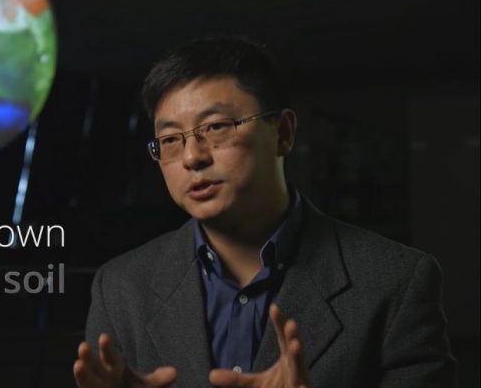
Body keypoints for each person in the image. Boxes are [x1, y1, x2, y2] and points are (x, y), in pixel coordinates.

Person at [72, 36, 456, 388]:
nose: (192, 157)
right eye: (170, 139)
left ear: (284, 132)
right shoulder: (121, 287)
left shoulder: (396, 282)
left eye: (217, 126)